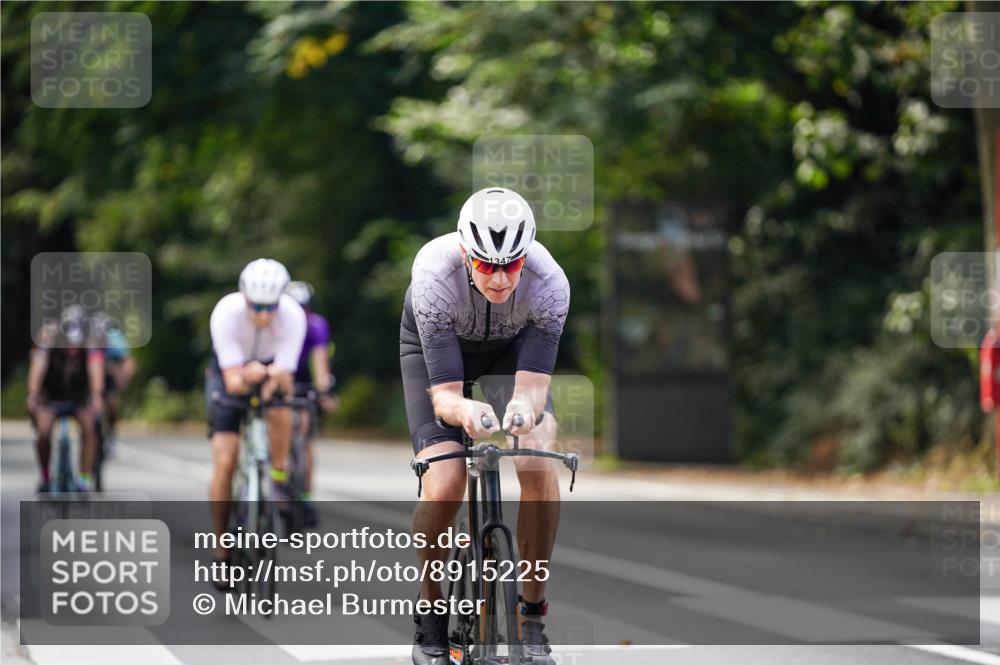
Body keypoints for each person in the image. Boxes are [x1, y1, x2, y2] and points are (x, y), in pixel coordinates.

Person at [400, 187, 569, 665]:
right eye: (486, 264)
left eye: (511, 265)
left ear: (526, 256)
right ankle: (430, 616)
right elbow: (447, 396)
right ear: (464, 251)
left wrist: (522, 410)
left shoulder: (550, 283)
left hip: (509, 352)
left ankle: (532, 621)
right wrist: (467, 412)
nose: (499, 278)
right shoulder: (433, 275)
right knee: (445, 482)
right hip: (437, 351)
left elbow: (533, 387)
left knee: (538, 458)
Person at [205, 259, 306, 579]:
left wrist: (271, 378)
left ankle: (277, 478)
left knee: (281, 408)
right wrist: (257, 375)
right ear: (244, 297)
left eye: (270, 307)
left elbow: (286, 380)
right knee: (225, 460)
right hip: (230, 372)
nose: (264, 315)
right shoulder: (225, 313)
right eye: (257, 306)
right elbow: (233, 382)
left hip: (268, 369)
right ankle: (221, 549)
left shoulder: (293, 315)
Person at [26, 305, 105, 493]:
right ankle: (45, 476)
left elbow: (96, 370)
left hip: (79, 397)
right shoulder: (48, 337)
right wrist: (33, 394)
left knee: (89, 427)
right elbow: (38, 367)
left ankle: (84, 478)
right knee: (43, 432)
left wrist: (96, 395)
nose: (72, 348)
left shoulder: (91, 341)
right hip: (51, 396)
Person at [284, 280, 337, 527]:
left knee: (303, 438)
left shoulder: (316, 326)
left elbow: (320, 363)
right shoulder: (277, 325)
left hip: (303, 380)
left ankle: (304, 496)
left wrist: (324, 392)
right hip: (278, 376)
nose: (300, 315)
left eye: (303, 309)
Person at [93, 312, 136, 453]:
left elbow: (128, 361)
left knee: (111, 404)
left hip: (109, 374)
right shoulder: (87, 340)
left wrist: (123, 378)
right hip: (91, 374)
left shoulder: (115, 339)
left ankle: (111, 434)